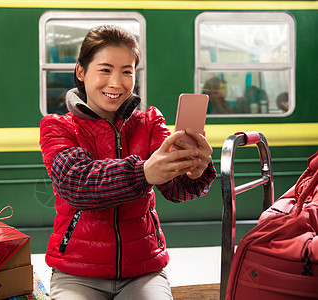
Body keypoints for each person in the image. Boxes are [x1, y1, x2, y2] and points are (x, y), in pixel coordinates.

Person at [39, 25, 216, 299]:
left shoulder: (150, 123)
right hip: (76, 273)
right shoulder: (58, 127)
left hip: (143, 270)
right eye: (105, 70)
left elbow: (175, 190)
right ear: (81, 72)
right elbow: (76, 185)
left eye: (127, 71)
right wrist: (143, 173)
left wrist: (194, 171)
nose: (117, 83)